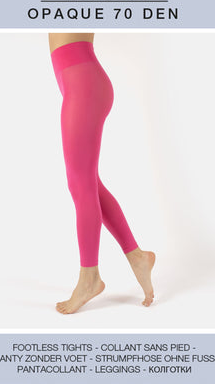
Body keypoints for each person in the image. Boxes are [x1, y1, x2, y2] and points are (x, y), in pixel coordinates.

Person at [49, 32, 155, 314]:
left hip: (83, 83)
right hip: (79, 81)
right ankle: (138, 257)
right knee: (88, 183)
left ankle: (90, 278)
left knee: (80, 184)